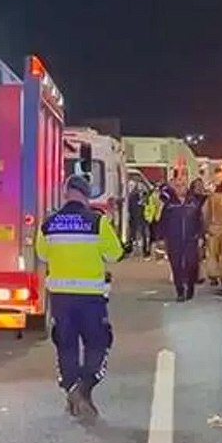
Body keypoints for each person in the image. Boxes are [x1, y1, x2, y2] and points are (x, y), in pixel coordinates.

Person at [34, 175, 124, 422]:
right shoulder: (97, 222)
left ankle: (72, 392)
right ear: (87, 195)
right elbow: (115, 254)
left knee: (66, 346)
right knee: (98, 343)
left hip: (60, 299)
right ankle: (83, 389)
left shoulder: (49, 223)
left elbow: (42, 255)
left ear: (65, 194)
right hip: (91, 298)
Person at [159, 181, 205, 300]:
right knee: (176, 265)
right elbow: (163, 223)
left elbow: (200, 221)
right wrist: (162, 239)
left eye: (182, 186)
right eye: (177, 186)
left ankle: (190, 287)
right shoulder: (170, 205)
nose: (180, 189)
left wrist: (200, 236)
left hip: (191, 239)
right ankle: (180, 291)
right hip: (174, 240)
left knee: (191, 264)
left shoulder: (193, 203)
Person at [126, 183, 150, 257]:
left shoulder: (146, 197)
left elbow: (149, 206)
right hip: (135, 217)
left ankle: (145, 251)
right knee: (133, 234)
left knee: (143, 234)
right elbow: (130, 207)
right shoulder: (132, 197)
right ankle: (131, 250)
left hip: (143, 217)